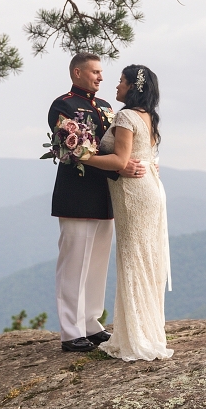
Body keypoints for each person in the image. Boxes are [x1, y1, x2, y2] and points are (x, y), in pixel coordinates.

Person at [49, 53, 146, 353]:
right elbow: (76, 152)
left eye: (102, 72)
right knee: (74, 262)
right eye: (95, 72)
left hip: (105, 194)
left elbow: (115, 146)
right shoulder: (62, 105)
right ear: (77, 72)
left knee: (97, 263)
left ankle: (91, 323)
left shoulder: (105, 107)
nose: (101, 77)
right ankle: (71, 331)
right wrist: (119, 165)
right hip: (76, 195)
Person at [81, 64, 173, 362]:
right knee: (147, 258)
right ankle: (147, 331)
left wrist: (84, 156)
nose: (116, 86)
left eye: (120, 81)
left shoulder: (125, 116)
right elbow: (145, 156)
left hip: (134, 193)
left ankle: (137, 337)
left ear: (133, 87)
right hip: (151, 189)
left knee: (133, 258)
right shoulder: (148, 117)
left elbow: (121, 160)